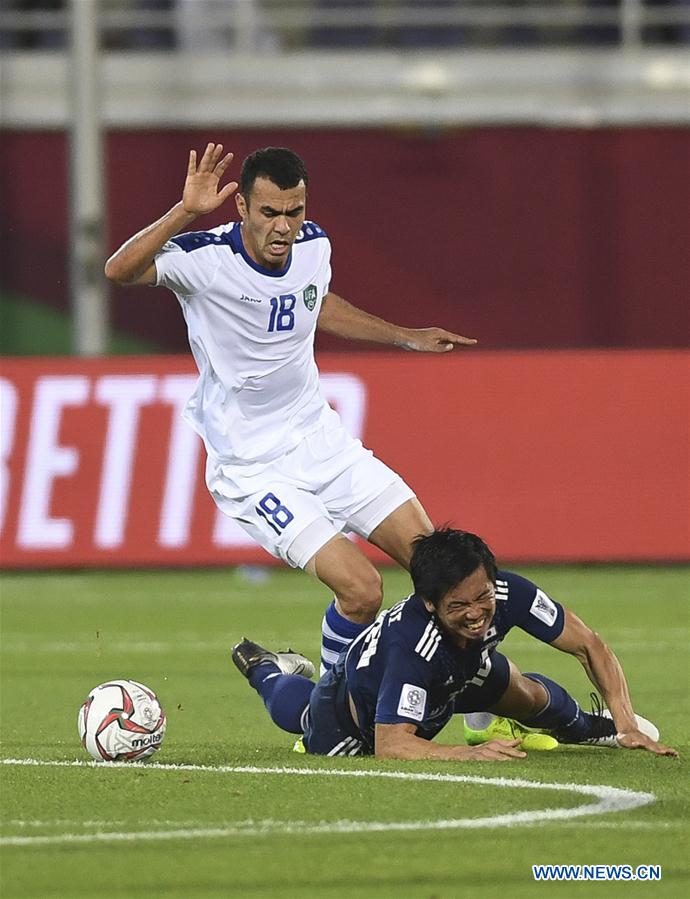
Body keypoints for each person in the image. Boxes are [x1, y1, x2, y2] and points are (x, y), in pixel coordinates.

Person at [104, 144, 477, 672]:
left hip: (321, 441)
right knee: (362, 590)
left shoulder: (314, 246)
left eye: (294, 212)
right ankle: (329, 706)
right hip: (253, 468)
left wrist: (404, 336)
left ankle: (480, 707)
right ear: (242, 209)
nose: (284, 227)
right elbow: (118, 271)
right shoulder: (203, 260)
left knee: (447, 573)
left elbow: (315, 302)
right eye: (270, 213)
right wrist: (186, 210)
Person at [231, 528, 678, 760]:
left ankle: (593, 729)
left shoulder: (505, 593)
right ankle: (266, 669)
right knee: (309, 716)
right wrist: (468, 753)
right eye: (459, 605)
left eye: (482, 595)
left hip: (457, 670)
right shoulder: (414, 647)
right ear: (430, 603)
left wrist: (626, 721)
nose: (477, 613)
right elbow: (393, 746)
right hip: (353, 719)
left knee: (527, 693)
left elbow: (589, 646)